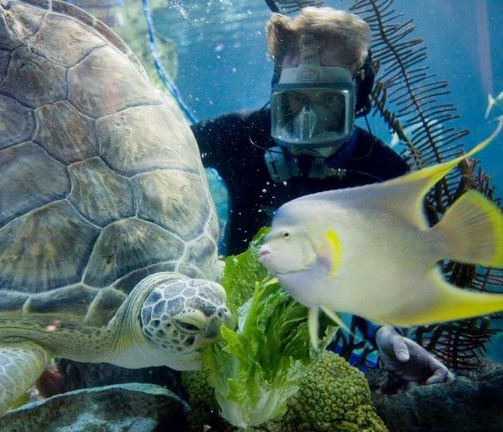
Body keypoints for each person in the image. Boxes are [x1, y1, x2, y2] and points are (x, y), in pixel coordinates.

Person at [192, 6, 454, 388]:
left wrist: (387, 333)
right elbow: (158, 151)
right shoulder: (239, 136)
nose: (308, 122)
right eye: (295, 103)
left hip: (323, 357)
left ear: (359, 96)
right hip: (222, 332)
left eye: (328, 102)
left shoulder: (383, 175)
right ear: (276, 89)